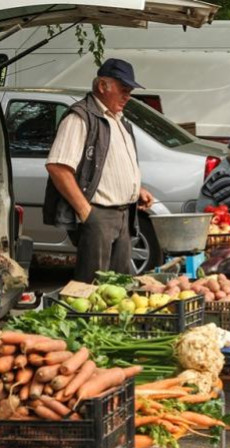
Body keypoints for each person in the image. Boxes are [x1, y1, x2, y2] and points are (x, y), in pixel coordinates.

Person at [43, 58, 154, 283]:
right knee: (93, 286)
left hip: (123, 215)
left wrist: (136, 188)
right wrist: (86, 211)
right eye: (123, 89)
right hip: (99, 214)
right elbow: (58, 167)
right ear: (102, 86)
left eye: (130, 90)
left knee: (118, 285)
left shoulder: (118, 119)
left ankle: (112, 320)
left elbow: (108, 164)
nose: (127, 96)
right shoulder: (81, 117)